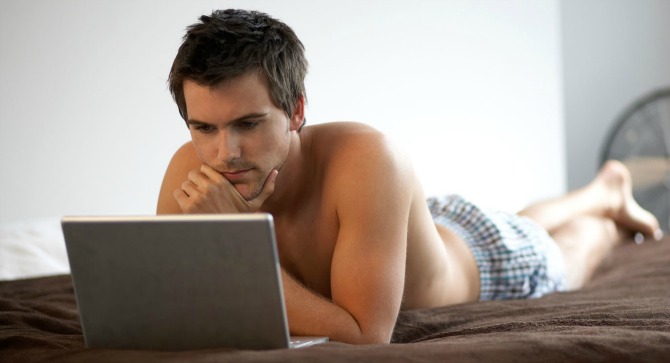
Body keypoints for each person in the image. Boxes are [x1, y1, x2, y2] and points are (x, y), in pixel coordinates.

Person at [157, 9, 663, 344]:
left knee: (563, 254)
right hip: (404, 228)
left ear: (295, 110)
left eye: (248, 123)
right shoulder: (191, 169)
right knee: (520, 217)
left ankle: (604, 207)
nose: (226, 152)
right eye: (204, 127)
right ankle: (604, 189)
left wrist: (239, 243)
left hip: (485, 260)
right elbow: (169, 308)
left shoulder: (370, 157)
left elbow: (363, 333)